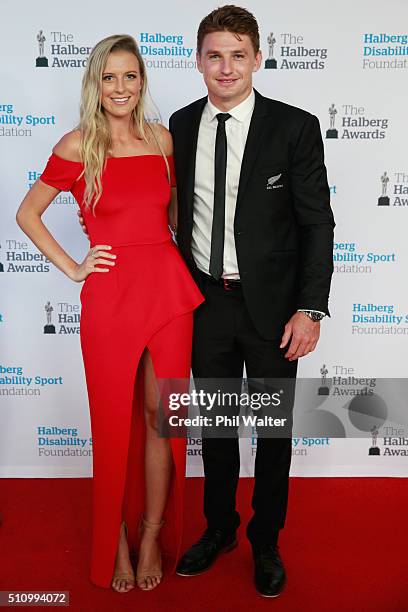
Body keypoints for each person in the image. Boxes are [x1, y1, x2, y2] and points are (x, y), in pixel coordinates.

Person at [16, 34, 203, 593]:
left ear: (143, 81)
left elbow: (171, 217)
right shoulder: (78, 146)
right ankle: (115, 539)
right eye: (109, 77)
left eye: (130, 76)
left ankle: (150, 533)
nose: (121, 88)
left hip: (168, 292)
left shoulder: (164, 140)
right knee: (111, 421)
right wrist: (75, 266)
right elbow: (28, 214)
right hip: (110, 296)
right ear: (95, 83)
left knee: (159, 417)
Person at [169, 6, 335, 598]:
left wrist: (310, 308)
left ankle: (266, 538)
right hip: (205, 304)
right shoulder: (181, 124)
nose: (226, 66)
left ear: (258, 59)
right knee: (215, 427)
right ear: (198, 60)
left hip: (274, 312)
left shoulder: (294, 126)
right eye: (214, 54)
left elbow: (317, 222)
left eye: (238, 55)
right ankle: (220, 529)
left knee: (271, 432)